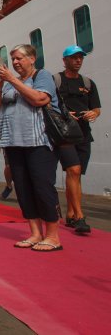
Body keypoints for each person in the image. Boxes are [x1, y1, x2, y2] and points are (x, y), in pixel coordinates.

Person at [0, 44, 62, 252]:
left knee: (42, 187)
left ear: (32, 58)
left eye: (19, 58)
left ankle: (53, 236)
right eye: (13, 59)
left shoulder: (42, 76)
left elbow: (39, 99)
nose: (14, 62)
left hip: (38, 141)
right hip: (13, 142)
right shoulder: (7, 85)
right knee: (23, 189)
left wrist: (11, 79)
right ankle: (35, 233)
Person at [52, 45, 100, 235]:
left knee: (77, 175)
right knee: (74, 169)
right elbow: (48, 105)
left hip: (83, 133)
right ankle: (79, 216)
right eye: (74, 58)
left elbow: (97, 108)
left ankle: (71, 213)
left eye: (80, 57)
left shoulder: (88, 83)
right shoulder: (56, 81)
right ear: (65, 61)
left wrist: (92, 113)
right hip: (64, 134)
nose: (78, 60)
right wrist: (65, 114)